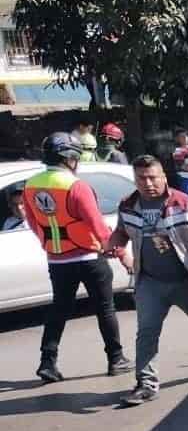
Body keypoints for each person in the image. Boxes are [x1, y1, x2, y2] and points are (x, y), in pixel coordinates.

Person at [109, 155, 188, 406]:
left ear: (163, 177)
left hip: (186, 280)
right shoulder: (128, 206)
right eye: (142, 178)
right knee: (147, 332)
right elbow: (121, 232)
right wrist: (113, 243)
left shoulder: (183, 204)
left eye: (153, 177)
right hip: (150, 282)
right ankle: (146, 384)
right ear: (135, 180)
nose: (148, 183)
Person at [22, 132, 133, 383]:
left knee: (59, 309)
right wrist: (122, 253)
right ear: (70, 158)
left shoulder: (31, 184)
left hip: (57, 261)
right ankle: (116, 359)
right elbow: (98, 226)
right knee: (105, 308)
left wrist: (50, 246)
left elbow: (32, 222)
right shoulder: (76, 186)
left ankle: (47, 362)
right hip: (88, 258)